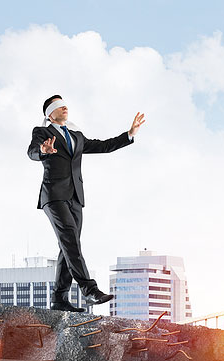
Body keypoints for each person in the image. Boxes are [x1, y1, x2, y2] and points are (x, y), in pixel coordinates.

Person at [27, 94, 145, 312]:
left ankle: (60, 300)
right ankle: (89, 290)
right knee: (70, 240)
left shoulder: (76, 135)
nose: (65, 108)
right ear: (50, 114)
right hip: (53, 196)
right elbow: (32, 152)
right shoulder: (42, 132)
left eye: (65, 105)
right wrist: (43, 151)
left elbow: (103, 146)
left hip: (76, 197)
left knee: (68, 246)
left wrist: (129, 135)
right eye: (59, 106)